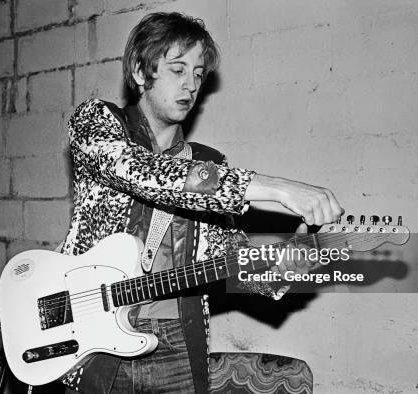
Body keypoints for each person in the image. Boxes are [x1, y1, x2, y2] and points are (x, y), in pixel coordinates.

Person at [60, 12, 343, 393]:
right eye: (177, 69)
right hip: (94, 332)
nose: (190, 84)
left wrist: (296, 258)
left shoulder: (208, 163)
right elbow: (142, 173)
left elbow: (231, 257)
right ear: (140, 71)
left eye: (198, 74)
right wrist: (274, 187)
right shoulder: (98, 121)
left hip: (176, 341)